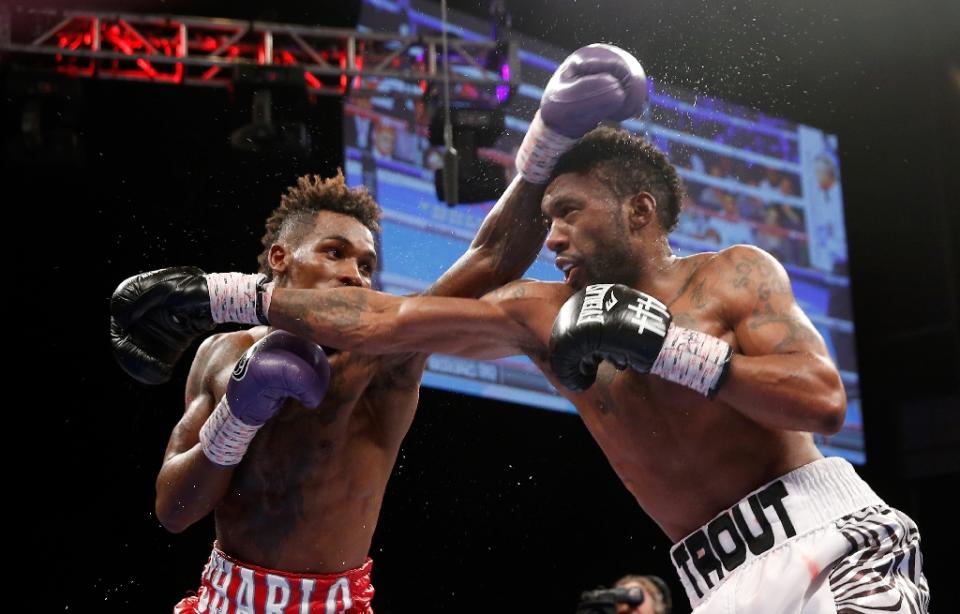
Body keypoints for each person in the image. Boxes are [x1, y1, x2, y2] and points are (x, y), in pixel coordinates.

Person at [114, 102, 928, 614]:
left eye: (569, 214)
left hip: (831, 540)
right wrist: (213, 295)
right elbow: (384, 315)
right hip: (719, 582)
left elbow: (823, 401)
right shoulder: (541, 315)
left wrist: (662, 344)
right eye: (549, 218)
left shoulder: (736, 274)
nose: (557, 238)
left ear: (639, 210)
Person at [110, 44, 649, 613]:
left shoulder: (388, 350)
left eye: (366, 265)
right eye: (336, 253)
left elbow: (490, 257)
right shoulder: (222, 353)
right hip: (227, 598)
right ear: (279, 259)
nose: (354, 274)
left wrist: (548, 142)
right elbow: (173, 510)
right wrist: (236, 416)